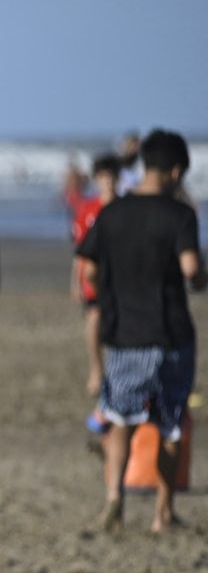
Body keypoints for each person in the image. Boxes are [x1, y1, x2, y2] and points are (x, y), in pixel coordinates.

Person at [75, 129, 203, 534]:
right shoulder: (180, 215)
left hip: (126, 333)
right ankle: (162, 514)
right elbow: (191, 272)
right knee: (170, 425)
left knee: (120, 419)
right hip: (171, 334)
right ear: (177, 170)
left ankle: (115, 500)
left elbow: (90, 267)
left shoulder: (112, 213)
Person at [71, 155, 123, 398]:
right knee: (93, 320)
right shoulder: (88, 210)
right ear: (97, 180)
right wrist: (76, 280)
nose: (108, 183)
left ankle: (117, 370)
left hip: (121, 278)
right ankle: (96, 369)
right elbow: (80, 251)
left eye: (112, 178)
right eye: (103, 178)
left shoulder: (126, 208)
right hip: (94, 277)